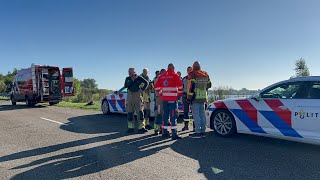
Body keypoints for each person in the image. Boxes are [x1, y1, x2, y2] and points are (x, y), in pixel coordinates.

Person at [154, 64, 183, 140]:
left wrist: (161, 93)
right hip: (172, 99)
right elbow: (180, 86)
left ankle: (164, 132)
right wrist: (179, 95)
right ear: (173, 68)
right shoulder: (175, 75)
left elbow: (156, 86)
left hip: (164, 99)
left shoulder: (162, 76)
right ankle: (174, 134)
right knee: (173, 116)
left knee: (165, 116)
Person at [187, 61, 212, 138]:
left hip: (195, 98)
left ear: (193, 67)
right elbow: (209, 85)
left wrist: (189, 98)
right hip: (203, 98)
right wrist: (203, 89)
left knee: (196, 115)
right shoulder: (205, 74)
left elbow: (191, 87)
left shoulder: (193, 74)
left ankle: (197, 132)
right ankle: (203, 132)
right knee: (202, 115)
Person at [124, 68, 149, 134]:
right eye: (128, 72)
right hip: (130, 96)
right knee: (130, 112)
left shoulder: (139, 78)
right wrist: (132, 80)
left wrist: (142, 89)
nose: (129, 73)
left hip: (138, 96)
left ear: (134, 72)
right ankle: (130, 128)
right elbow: (126, 85)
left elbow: (146, 83)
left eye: (130, 72)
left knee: (140, 112)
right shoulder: (127, 78)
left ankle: (141, 128)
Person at [181, 66, 193, 131]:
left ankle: (194, 126)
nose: (189, 71)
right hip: (185, 96)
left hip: (192, 97)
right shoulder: (184, 79)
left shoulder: (194, 78)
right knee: (186, 111)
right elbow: (181, 88)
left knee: (194, 111)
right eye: (188, 70)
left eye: (190, 70)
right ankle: (186, 126)